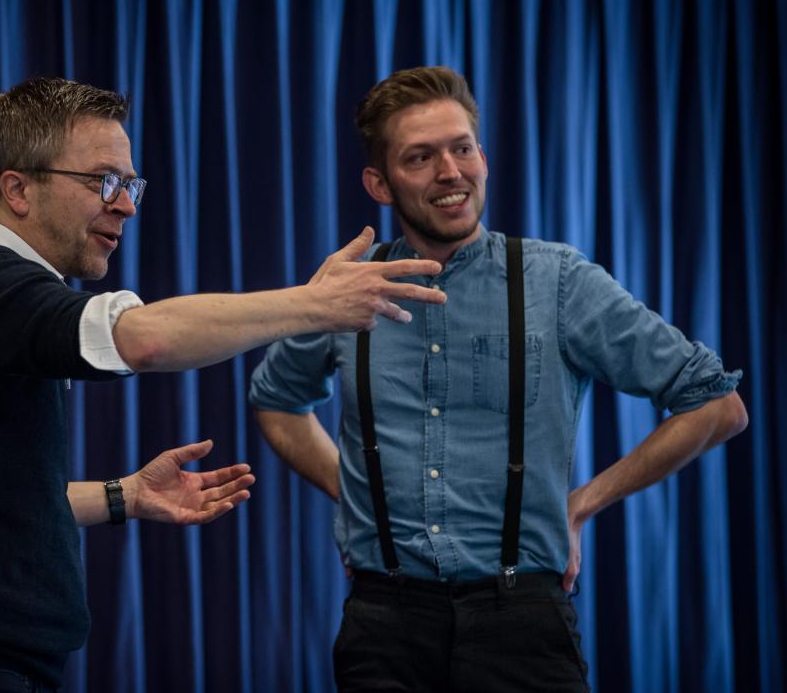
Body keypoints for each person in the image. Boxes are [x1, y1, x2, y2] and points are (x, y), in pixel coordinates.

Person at [0, 77, 447, 693]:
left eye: (130, 185)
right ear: (18, 189)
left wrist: (129, 496)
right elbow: (145, 340)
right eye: (103, 182)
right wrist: (313, 304)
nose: (126, 206)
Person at [249, 66, 748, 693]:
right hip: (384, 625)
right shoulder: (345, 291)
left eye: (462, 149)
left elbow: (716, 405)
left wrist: (581, 505)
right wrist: (357, 498)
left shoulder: (558, 280)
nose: (450, 172)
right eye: (420, 158)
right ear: (379, 184)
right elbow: (276, 399)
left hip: (523, 623)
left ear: (483, 158)